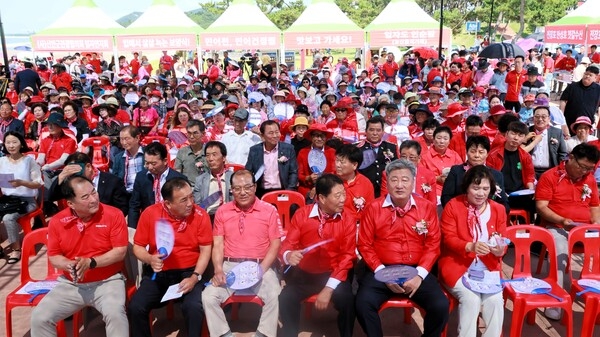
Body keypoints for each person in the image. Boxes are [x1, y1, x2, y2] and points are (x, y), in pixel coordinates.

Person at [356, 159, 449, 337]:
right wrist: (383, 274)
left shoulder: (427, 208)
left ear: (413, 182)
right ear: (387, 182)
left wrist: (420, 275)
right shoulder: (373, 208)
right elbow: (365, 245)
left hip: (416, 269)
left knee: (440, 306)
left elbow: (433, 244)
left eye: (405, 180)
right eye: (394, 180)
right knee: (362, 304)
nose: (399, 185)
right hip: (381, 269)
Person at [31, 175, 129, 337]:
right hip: (72, 284)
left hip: (108, 281)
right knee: (40, 317)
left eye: (94, 192)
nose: (93, 199)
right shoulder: (57, 221)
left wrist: (91, 262)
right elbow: (54, 257)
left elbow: (120, 252)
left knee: (116, 315)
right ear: (70, 203)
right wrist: (70, 265)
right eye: (85, 197)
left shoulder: (114, 215)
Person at [202, 169, 284, 337]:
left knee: (274, 294)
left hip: (260, 265)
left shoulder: (268, 210)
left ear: (254, 187)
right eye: (237, 188)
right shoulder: (223, 211)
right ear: (231, 189)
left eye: (247, 187)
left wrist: (262, 269)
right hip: (230, 267)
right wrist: (218, 269)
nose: (242, 192)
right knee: (208, 296)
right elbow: (217, 244)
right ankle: (224, 334)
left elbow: (275, 244)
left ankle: (263, 334)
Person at [129, 178, 212, 337]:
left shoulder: (200, 215)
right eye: (183, 200)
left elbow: (205, 250)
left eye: (191, 197)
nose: (190, 203)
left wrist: (195, 277)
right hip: (158, 271)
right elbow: (138, 247)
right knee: (136, 306)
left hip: (190, 271)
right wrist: (150, 259)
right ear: (168, 204)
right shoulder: (150, 213)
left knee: (193, 307)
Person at [279, 174, 356, 337]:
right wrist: (288, 255)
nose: (343, 199)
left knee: (348, 300)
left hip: (334, 274)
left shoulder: (348, 219)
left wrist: (328, 289)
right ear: (321, 198)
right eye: (337, 195)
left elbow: (347, 257)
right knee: (286, 298)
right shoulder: (302, 214)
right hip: (304, 275)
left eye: (344, 194)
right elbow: (287, 244)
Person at [439, 165, 508, 337]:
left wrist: (500, 250)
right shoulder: (453, 206)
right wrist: (470, 246)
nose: (480, 193)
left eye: (485, 189)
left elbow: (503, 240)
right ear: (467, 187)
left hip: (488, 269)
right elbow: (448, 239)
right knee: (471, 299)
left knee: (495, 301)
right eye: (475, 188)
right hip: (457, 266)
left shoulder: (498, 209)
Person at [535, 143, 600, 320]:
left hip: (585, 229)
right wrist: (562, 221)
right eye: (582, 166)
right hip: (558, 226)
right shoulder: (550, 176)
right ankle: (555, 300)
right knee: (559, 252)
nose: (584, 171)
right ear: (570, 157)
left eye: (589, 168)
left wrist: (596, 224)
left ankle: (596, 298)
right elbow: (541, 207)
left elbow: (594, 206)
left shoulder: (590, 179)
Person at [0, 132, 42, 263]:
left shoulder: (29, 161)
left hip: (26, 201)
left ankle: (16, 250)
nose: (11, 146)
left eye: (14, 142)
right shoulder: (1, 161)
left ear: (21, 143)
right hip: (7, 200)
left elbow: (38, 184)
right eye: (8, 143)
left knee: (8, 218)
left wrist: (22, 182)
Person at [442, 135, 509, 212]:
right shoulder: (456, 171)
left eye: (481, 152)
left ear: (487, 154)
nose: (477, 156)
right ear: (467, 152)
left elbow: (504, 203)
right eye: (473, 151)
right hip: (460, 214)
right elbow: (446, 198)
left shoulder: (496, 175)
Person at [128, 142, 186, 228]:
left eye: (154, 164)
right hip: (149, 223)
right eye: (147, 163)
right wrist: (132, 229)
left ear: (165, 161)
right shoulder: (141, 177)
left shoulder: (178, 179)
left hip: (172, 224)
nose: (150, 167)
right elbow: (134, 206)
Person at [245, 120, 298, 198]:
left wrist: (289, 190)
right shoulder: (254, 150)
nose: (275, 135)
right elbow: (248, 172)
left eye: (277, 132)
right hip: (261, 192)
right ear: (262, 136)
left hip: (283, 191)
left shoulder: (288, 149)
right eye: (271, 133)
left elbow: (293, 172)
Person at [357, 116, 398, 198]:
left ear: (383, 132)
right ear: (366, 131)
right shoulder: (358, 148)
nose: (375, 133)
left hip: (386, 191)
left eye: (378, 130)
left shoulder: (391, 147)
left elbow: (396, 169)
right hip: (364, 190)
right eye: (371, 130)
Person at [193, 141, 233, 221]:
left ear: (224, 158)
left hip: (229, 217)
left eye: (214, 155)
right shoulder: (200, 180)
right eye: (207, 156)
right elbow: (198, 206)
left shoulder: (233, 178)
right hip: (208, 217)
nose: (210, 159)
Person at [524, 105, 568, 178]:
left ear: (549, 119)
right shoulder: (527, 131)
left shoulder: (557, 132)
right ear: (533, 118)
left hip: (550, 171)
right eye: (537, 117)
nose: (540, 119)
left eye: (544, 117)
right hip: (530, 171)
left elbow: (562, 153)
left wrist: (559, 169)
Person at [421, 126, 463, 197]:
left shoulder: (455, 155)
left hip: (453, 191)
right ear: (433, 140)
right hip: (433, 192)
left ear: (449, 141)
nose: (442, 141)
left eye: (445, 139)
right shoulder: (425, 157)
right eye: (439, 138)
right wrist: (437, 178)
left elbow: (462, 173)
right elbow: (421, 176)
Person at [297, 124, 336, 198]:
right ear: (311, 137)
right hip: (307, 189)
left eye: (322, 136)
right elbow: (299, 174)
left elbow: (335, 172)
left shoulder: (332, 152)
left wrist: (322, 177)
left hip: (327, 188)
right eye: (316, 136)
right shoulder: (303, 152)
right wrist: (308, 178)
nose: (319, 139)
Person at [560, 65, 600, 136]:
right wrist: (561, 118)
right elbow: (563, 102)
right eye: (586, 74)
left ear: (595, 77)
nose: (587, 76)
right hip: (569, 122)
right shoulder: (572, 86)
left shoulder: (598, 89)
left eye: (590, 75)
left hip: (587, 125)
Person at [174, 120, 208, 186]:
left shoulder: (209, 151)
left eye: (195, 133)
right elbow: (177, 174)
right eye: (189, 133)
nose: (191, 137)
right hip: (189, 189)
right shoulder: (182, 152)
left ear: (203, 134)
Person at [112, 126, 145, 194]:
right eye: (121, 139)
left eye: (127, 139)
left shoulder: (147, 154)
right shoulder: (118, 158)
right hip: (126, 193)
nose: (124, 143)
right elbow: (115, 178)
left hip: (144, 193)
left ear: (137, 138)